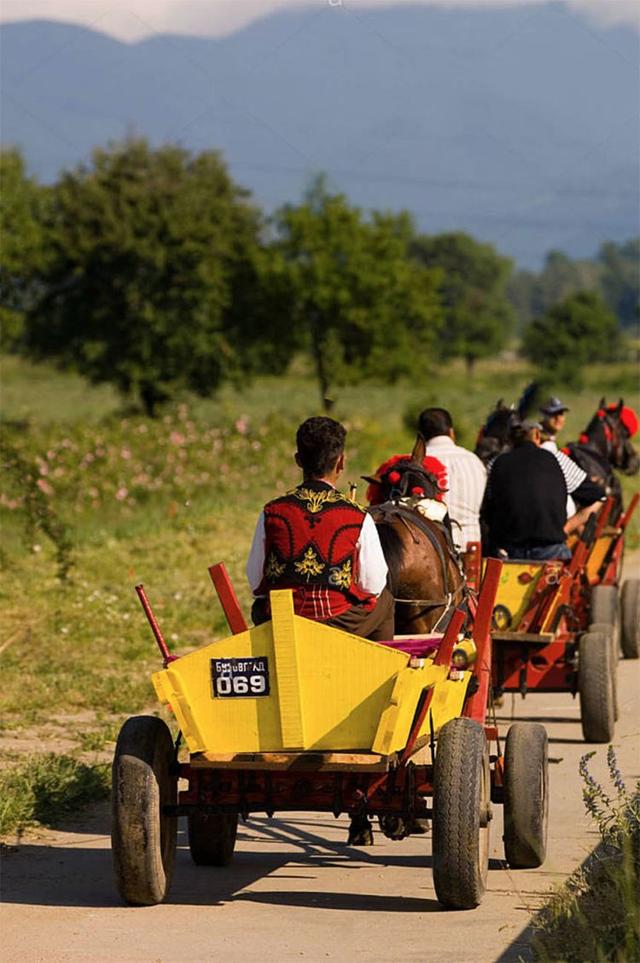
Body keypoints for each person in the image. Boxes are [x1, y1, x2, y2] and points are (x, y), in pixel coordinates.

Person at [247, 416, 394, 641]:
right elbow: (373, 584)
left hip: (283, 621)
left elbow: (256, 581)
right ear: (341, 462)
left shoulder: (271, 511)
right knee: (385, 600)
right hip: (338, 623)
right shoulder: (358, 515)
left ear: (298, 460)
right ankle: (376, 668)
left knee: (259, 606)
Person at [482, 421, 603, 561]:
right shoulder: (557, 459)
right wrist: (567, 527)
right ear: (538, 435)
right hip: (551, 551)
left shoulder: (496, 463)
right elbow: (598, 497)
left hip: (508, 552)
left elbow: (487, 509)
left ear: (510, 439)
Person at [416, 407, 486, 551]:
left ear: (421, 436)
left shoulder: (416, 464)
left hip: (430, 550)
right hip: (470, 548)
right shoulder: (474, 461)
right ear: (451, 432)